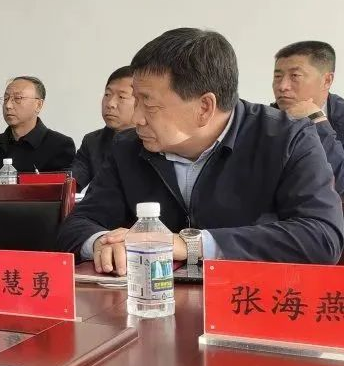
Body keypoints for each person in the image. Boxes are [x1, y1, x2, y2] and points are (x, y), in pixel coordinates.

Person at [57, 28, 344, 271]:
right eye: (136, 100)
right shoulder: (128, 147)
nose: (137, 117)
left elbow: (321, 237)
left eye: (149, 104)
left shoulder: (286, 138)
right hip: (151, 304)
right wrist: (103, 243)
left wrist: (190, 244)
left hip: (248, 303)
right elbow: (78, 224)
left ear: (204, 107)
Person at [271, 41, 344, 194]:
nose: (282, 86)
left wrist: (317, 120)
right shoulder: (265, 120)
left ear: (327, 80)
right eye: (278, 76)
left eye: (295, 76)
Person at [0, 76, 75, 183]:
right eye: (6, 98)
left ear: (38, 105)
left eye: (18, 98)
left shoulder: (60, 145)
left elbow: (62, 190)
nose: (8, 105)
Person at [71, 67, 137, 191]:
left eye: (121, 97)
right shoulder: (93, 141)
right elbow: (72, 183)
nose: (110, 103)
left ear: (141, 101)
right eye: (107, 95)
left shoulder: (153, 142)